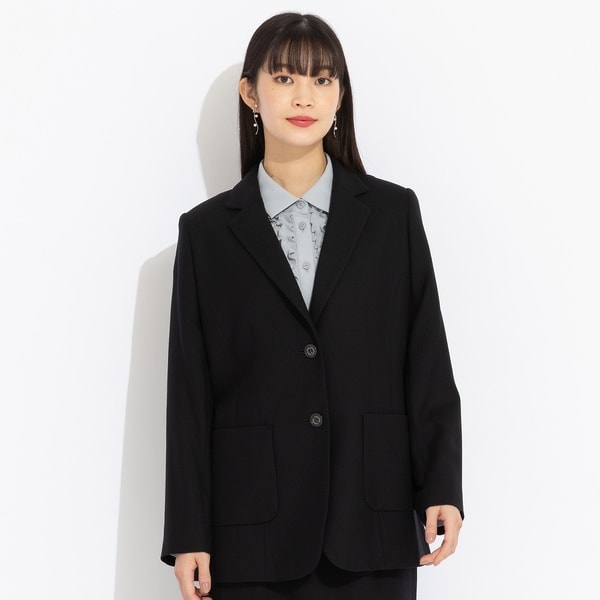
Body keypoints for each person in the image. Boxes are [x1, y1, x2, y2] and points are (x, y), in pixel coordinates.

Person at [161, 12, 463, 600]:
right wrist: (188, 533)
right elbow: (189, 395)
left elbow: (427, 362)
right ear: (251, 93)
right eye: (285, 78)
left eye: (323, 80)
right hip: (251, 532)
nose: (305, 96)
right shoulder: (207, 234)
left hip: (373, 521)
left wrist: (442, 486)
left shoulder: (392, 216)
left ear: (340, 96)